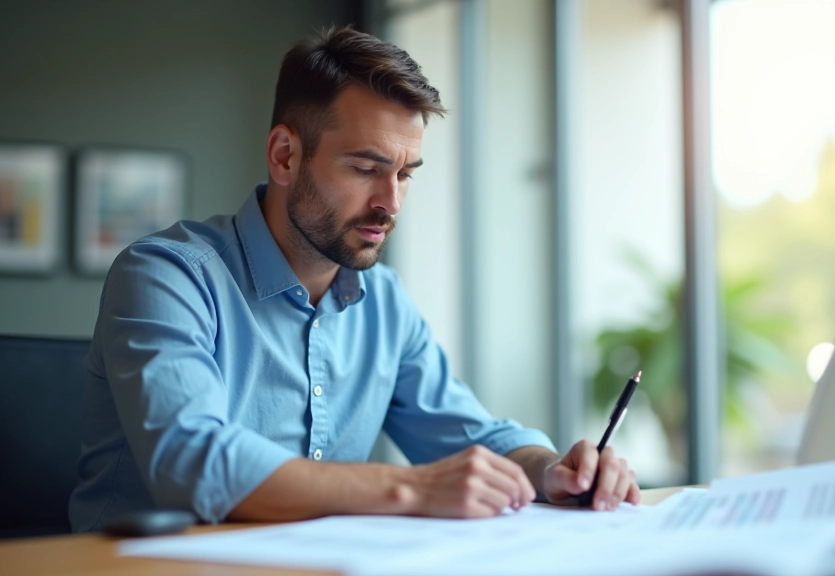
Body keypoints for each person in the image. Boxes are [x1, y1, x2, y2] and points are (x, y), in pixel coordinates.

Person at [69, 26, 639, 532]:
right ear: (286, 156)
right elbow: (193, 463)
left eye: (405, 174)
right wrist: (411, 489)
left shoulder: (384, 303)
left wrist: (554, 470)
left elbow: (474, 436)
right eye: (366, 169)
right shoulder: (165, 275)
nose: (390, 204)